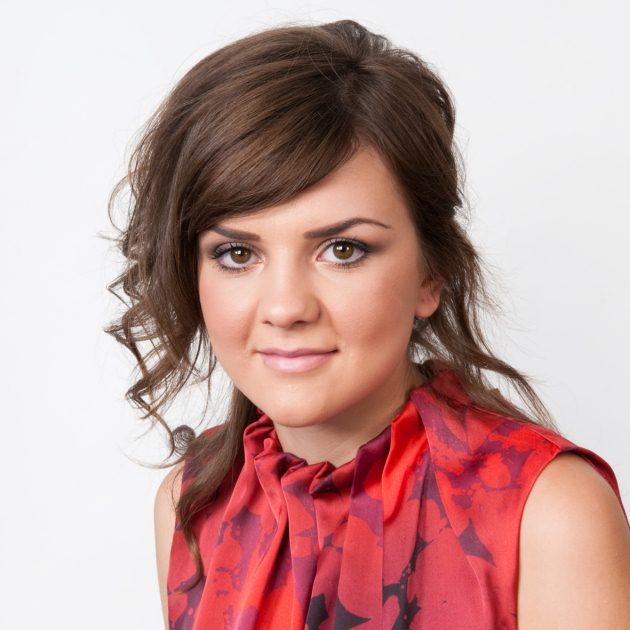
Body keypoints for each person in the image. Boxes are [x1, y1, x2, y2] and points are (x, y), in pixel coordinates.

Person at [105, 19, 630, 629]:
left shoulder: (548, 514)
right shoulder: (191, 504)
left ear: (431, 274)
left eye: (342, 249)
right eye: (237, 253)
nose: (285, 307)